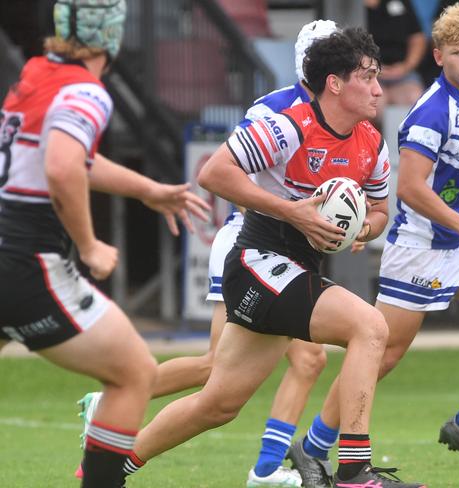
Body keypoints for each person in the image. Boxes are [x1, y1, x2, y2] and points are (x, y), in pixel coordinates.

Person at [113, 27, 426, 488]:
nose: (379, 88)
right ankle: (356, 472)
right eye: (368, 77)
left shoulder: (371, 144)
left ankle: (109, 468)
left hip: (296, 267)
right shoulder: (289, 125)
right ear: (335, 83)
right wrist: (293, 212)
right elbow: (213, 173)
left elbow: (380, 210)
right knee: (370, 326)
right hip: (259, 259)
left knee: (217, 403)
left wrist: (361, 228)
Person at [76, 20, 341, 488]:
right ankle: (117, 407)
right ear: (309, 65)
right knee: (222, 371)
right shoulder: (277, 109)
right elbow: (231, 176)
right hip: (252, 245)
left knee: (297, 361)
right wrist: (290, 217)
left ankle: (262, 469)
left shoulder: (343, 115)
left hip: (284, 254)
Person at [290, 3, 459, 477]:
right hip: (421, 248)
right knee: (382, 354)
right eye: (456, 53)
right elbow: (409, 187)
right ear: (438, 55)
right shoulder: (431, 110)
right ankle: (313, 445)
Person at [0, 1, 209, 487]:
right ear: (111, 36)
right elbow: (62, 167)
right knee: (135, 371)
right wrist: (89, 245)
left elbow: (68, 157)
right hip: (26, 261)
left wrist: (147, 189)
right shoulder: (86, 91)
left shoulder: (37, 73)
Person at [364, 0, 427, 121]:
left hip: (403, 73)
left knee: (416, 101)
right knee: (372, 106)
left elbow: (418, 38)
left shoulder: (403, 2)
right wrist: (372, 70)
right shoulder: (348, 6)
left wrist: (406, 67)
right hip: (366, 73)